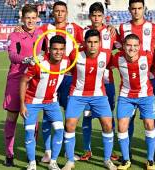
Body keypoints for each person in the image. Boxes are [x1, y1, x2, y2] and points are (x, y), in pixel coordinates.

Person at [62, 29, 116, 170]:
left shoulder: (107, 55)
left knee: (108, 124)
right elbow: (64, 67)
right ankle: (70, 160)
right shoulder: (75, 54)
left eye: (95, 42)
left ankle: (107, 159)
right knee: (70, 124)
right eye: (90, 42)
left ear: (100, 43)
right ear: (85, 43)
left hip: (99, 94)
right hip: (78, 94)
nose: (92, 45)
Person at [38, 1, 84, 162]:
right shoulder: (45, 29)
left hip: (69, 77)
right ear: (52, 12)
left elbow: (88, 43)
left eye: (62, 11)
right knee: (47, 115)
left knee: (69, 115)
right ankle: (48, 151)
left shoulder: (75, 28)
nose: (59, 14)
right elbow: (35, 44)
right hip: (50, 76)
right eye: (56, 11)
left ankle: (67, 150)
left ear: (66, 12)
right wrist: (19, 28)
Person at [20, 35, 69, 170]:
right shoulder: (38, 62)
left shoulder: (66, 61)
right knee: (29, 132)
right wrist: (22, 104)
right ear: (49, 49)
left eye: (61, 49)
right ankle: (32, 163)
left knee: (59, 130)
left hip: (51, 102)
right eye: (55, 49)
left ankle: (53, 162)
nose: (58, 52)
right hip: (32, 101)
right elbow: (24, 81)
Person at [118, 0, 155, 159]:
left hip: (148, 80)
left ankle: (154, 150)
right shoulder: (123, 27)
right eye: (133, 8)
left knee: (150, 118)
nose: (136, 11)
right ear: (129, 10)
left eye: (139, 8)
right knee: (128, 118)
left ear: (144, 9)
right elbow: (118, 46)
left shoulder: (154, 27)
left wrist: (153, 68)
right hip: (129, 82)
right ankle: (126, 152)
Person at [2, 4, 43, 167]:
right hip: (16, 78)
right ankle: (9, 154)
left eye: (33, 18)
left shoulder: (42, 33)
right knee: (12, 117)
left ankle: (30, 154)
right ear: (22, 19)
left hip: (34, 80)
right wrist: (26, 60)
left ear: (37, 18)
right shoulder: (15, 34)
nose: (31, 21)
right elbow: (12, 55)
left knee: (32, 119)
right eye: (28, 18)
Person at [79, 2, 119, 161]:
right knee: (87, 116)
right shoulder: (83, 32)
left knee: (108, 117)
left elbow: (121, 46)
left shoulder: (111, 32)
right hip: (88, 82)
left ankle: (111, 150)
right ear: (90, 16)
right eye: (93, 15)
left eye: (99, 15)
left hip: (107, 81)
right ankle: (86, 149)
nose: (96, 18)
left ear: (103, 16)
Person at [111, 34, 155, 170]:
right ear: (124, 46)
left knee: (149, 124)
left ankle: (150, 160)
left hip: (145, 96)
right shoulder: (117, 58)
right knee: (122, 126)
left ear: (140, 46)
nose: (132, 48)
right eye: (129, 45)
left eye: (135, 45)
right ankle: (126, 160)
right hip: (126, 96)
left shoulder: (147, 56)